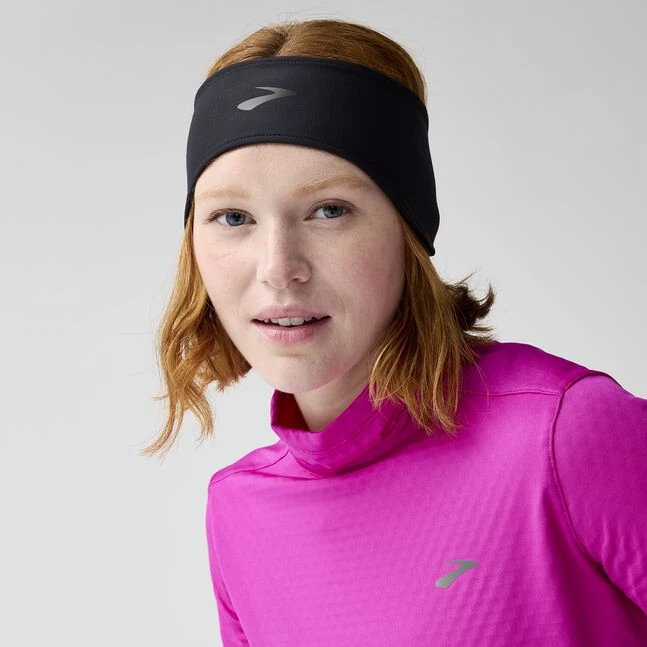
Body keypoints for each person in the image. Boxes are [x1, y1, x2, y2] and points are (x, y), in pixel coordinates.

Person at [140, 18, 647, 646]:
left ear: (408, 231)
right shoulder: (238, 510)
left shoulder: (567, 436)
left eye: (329, 210)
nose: (278, 268)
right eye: (233, 217)